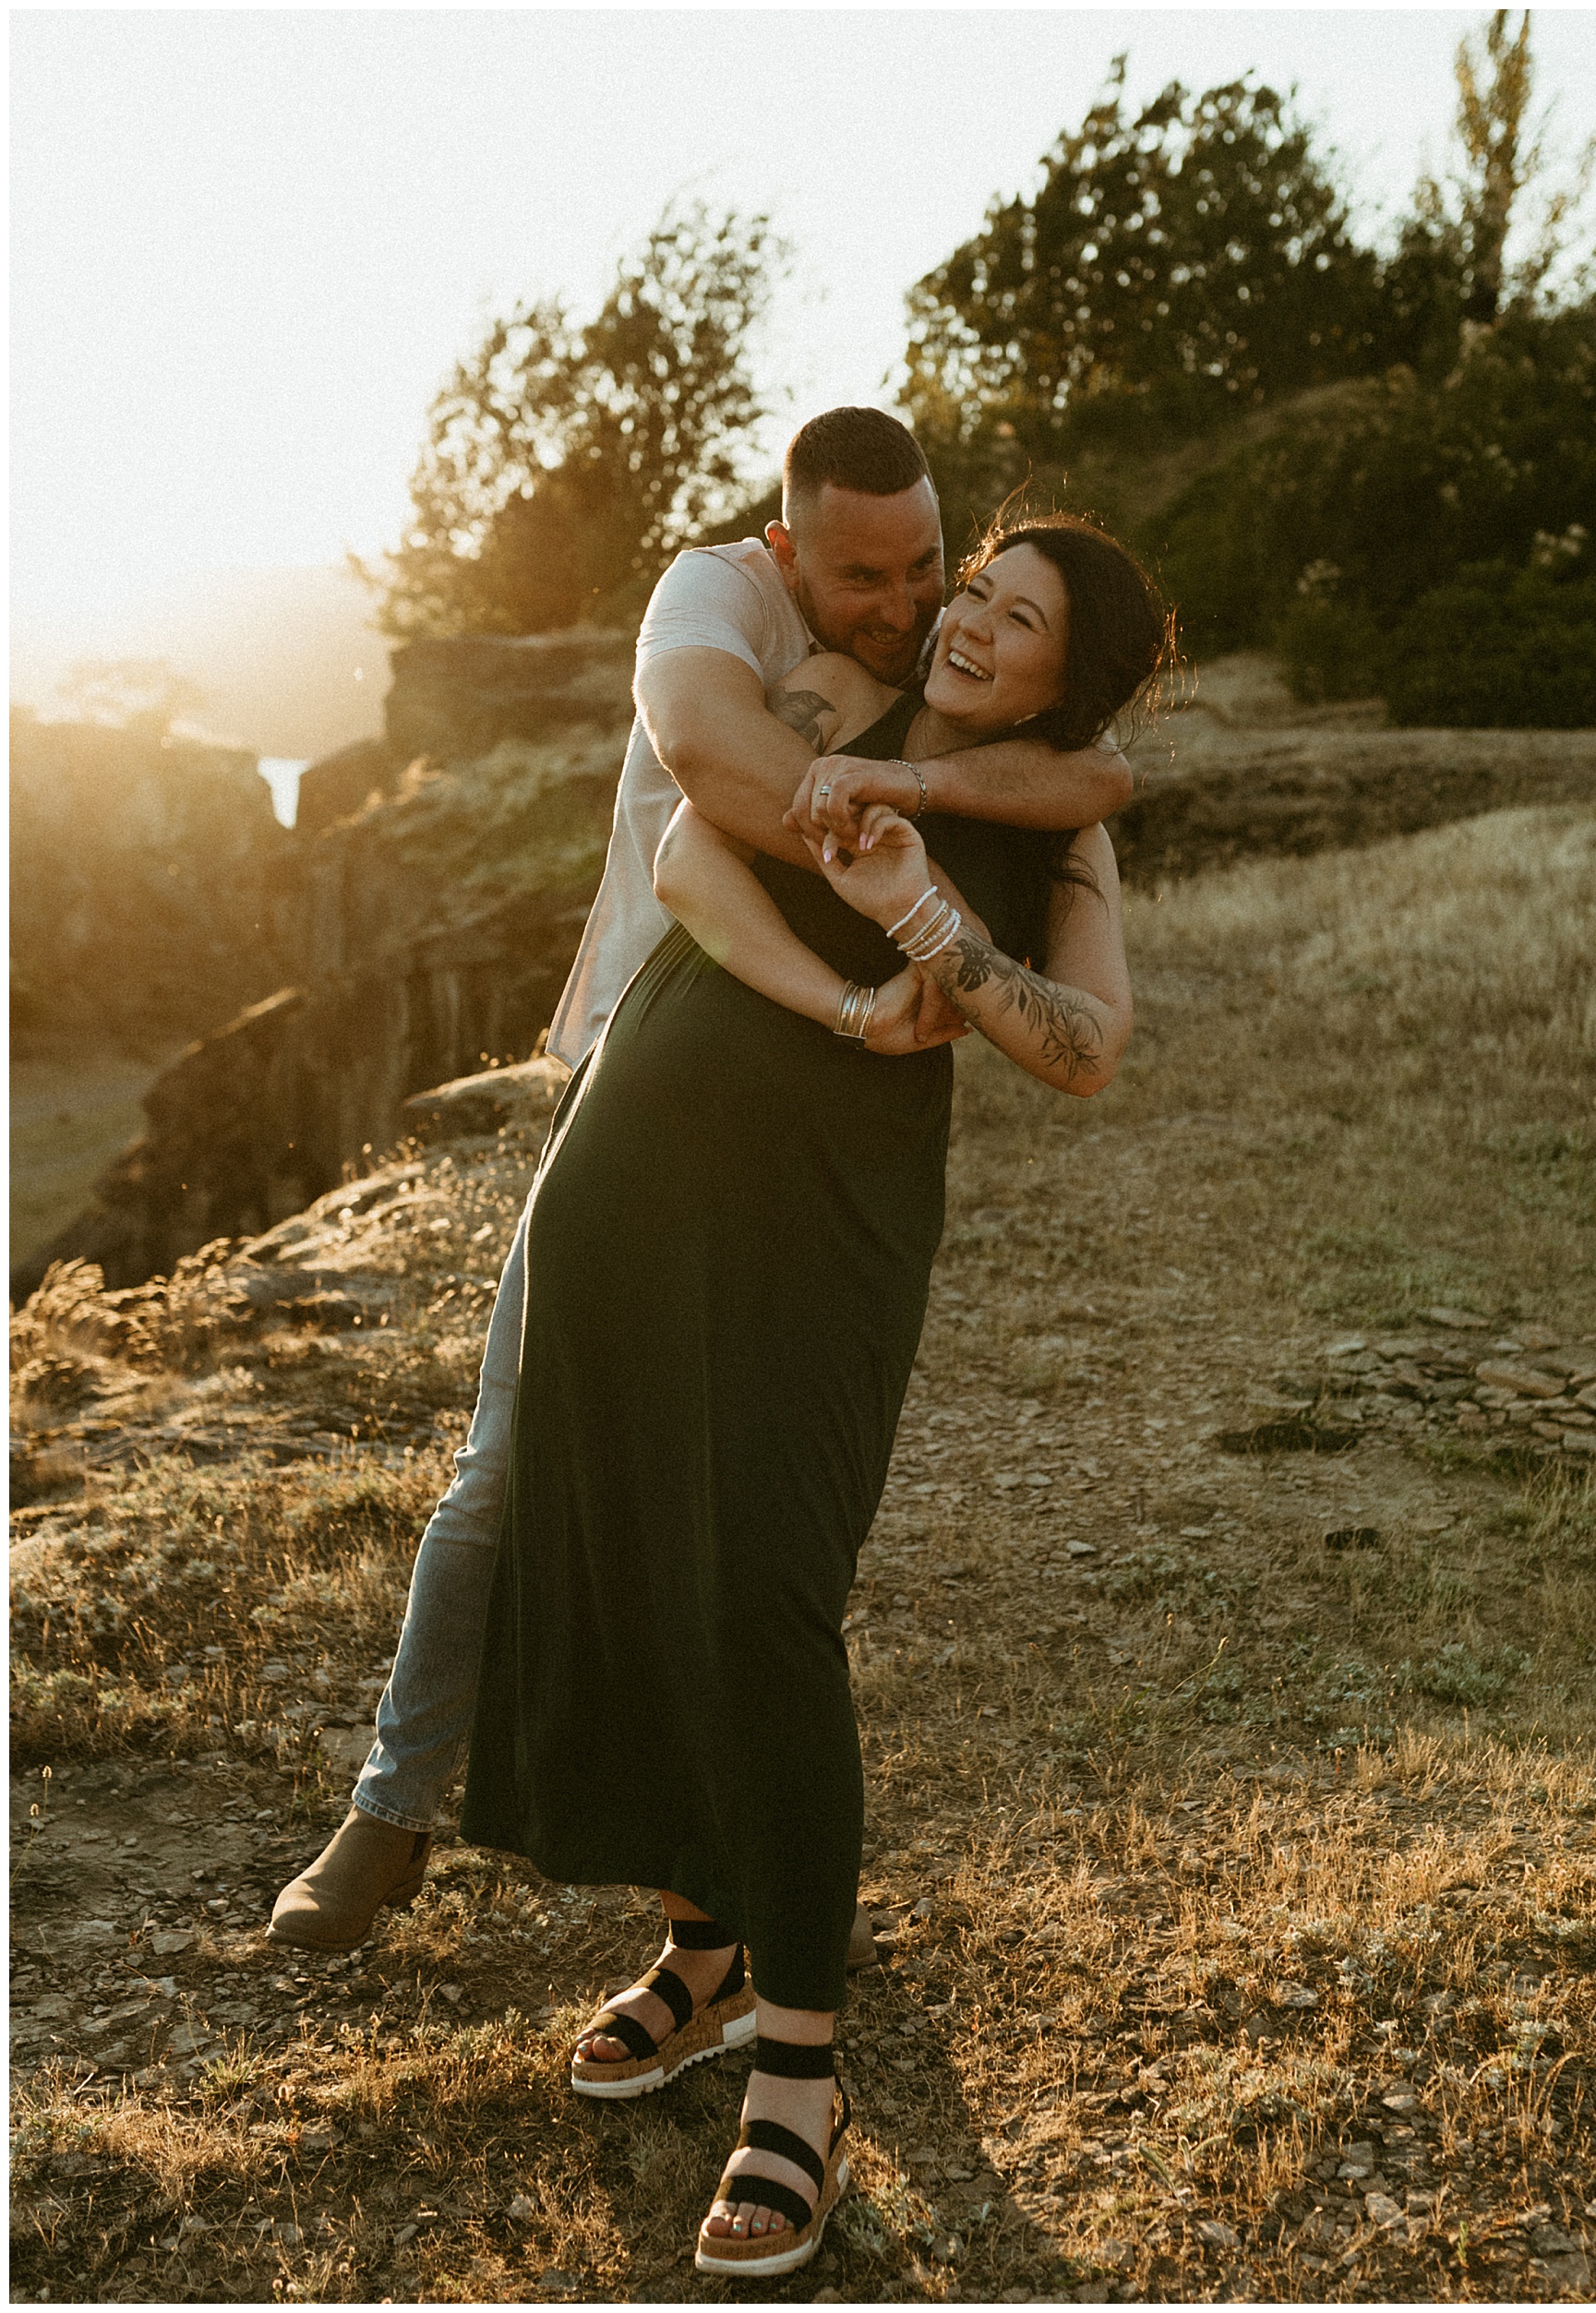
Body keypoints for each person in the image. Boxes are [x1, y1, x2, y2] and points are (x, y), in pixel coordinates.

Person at [269, 410, 1134, 1956]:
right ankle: (396, 1805)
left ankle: (732, 1899)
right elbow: (710, 785)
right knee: (519, 1455)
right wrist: (870, 957)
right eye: (874, 575)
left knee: (749, 1529)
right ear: (793, 551)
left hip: (826, 1150)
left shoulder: (924, 659)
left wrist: (928, 824)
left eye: (942, 568)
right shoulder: (727, 609)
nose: (918, 603)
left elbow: (1100, 775)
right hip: (647, 1060)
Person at [459, 509, 1171, 2278]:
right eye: (977, 596)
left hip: (832, 1212)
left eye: (1018, 621)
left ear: (1068, 673)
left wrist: (928, 919)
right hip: (644, 1157)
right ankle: (705, 1950)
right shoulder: (837, 690)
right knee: (637, 1541)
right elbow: (697, 862)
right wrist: (857, 996)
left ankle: (802, 2071)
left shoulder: (1066, 824)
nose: (974, 628)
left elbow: (1081, 1049)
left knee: (770, 1587)